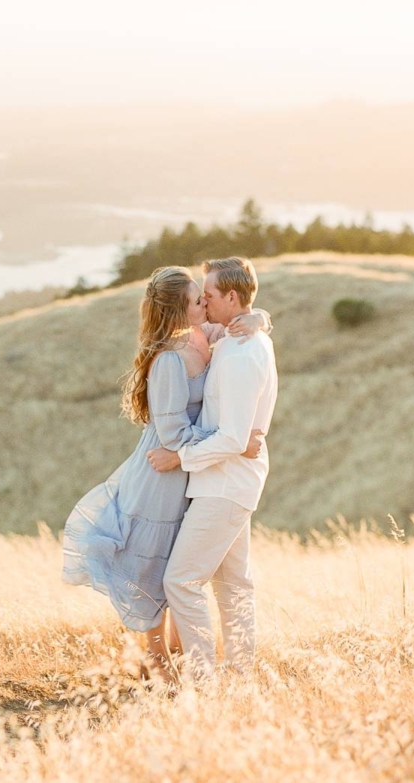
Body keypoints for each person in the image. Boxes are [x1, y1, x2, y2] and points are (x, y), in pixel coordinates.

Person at [62, 265, 270, 679]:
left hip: (193, 471)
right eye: (198, 300)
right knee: (153, 564)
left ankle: (181, 658)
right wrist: (232, 439)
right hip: (162, 472)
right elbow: (173, 433)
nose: (204, 302)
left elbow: (240, 324)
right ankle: (158, 662)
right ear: (183, 311)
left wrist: (259, 317)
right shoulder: (170, 361)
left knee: (180, 564)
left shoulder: (205, 336)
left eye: (206, 296)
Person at [148, 256, 278, 679]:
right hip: (230, 482)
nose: (203, 301)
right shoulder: (235, 336)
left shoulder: (241, 352)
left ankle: (202, 681)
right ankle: (240, 677)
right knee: (234, 584)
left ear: (232, 297)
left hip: (224, 486)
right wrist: (259, 317)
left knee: (181, 582)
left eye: (209, 294)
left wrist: (179, 457)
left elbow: (234, 439)